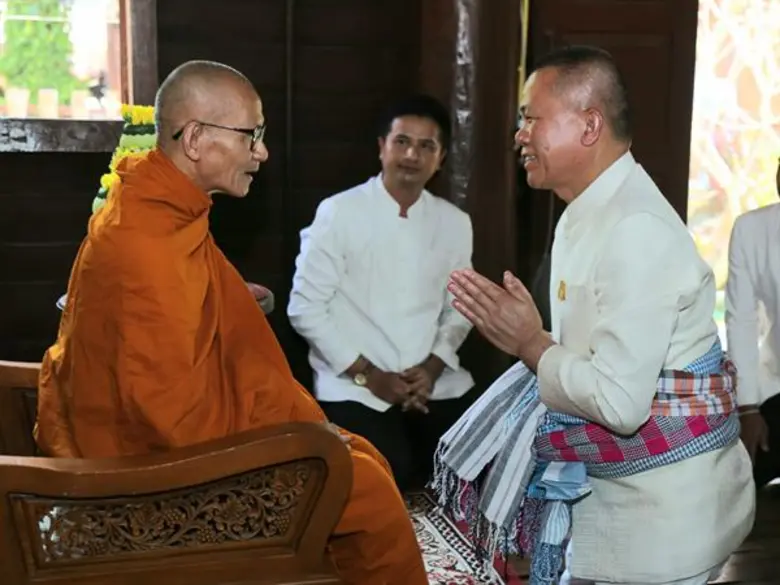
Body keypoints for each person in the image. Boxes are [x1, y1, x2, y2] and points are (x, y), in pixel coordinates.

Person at [33, 60, 428, 585]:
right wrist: (281, 438)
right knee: (366, 492)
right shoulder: (148, 239)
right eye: (251, 135)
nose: (261, 152)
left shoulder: (154, 204)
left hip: (154, 439)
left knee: (360, 463)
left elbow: (170, 328)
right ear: (194, 138)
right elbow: (167, 420)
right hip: (152, 483)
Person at [439, 45, 755, 585]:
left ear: (589, 125)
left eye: (531, 118)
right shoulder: (586, 211)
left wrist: (531, 344)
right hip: (613, 500)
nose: (520, 134)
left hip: (661, 523)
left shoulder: (635, 229)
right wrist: (533, 343)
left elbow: (618, 402)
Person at [287, 94, 476, 492]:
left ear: (440, 158)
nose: (412, 154)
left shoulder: (455, 222)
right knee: (391, 473)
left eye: (427, 146)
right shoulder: (339, 212)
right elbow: (304, 308)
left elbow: (459, 308)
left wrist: (432, 368)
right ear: (381, 147)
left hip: (432, 384)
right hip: (355, 385)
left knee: (469, 465)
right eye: (402, 141)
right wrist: (369, 375)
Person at [725, 156, 780, 488]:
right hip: (775, 388)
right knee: (739, 475)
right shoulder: (752, 230)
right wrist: (747, 408)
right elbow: (741, 319)